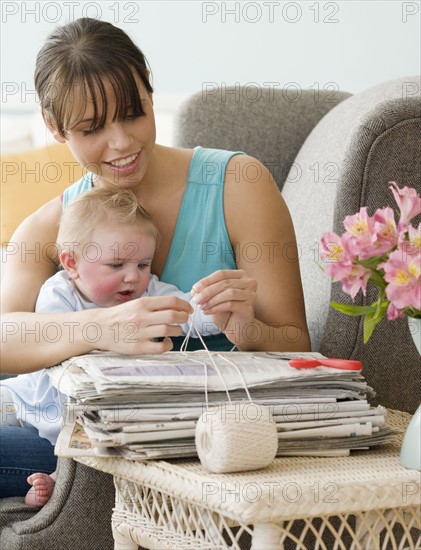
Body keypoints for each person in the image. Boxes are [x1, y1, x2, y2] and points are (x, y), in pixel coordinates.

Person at [0, 17, 310, 499]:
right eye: (92, 128)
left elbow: (299, 345)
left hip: (207, 435)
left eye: (133, 112)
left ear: (149, 91)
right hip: (78, 435)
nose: (121, 142)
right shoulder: (47, 228)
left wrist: (249, 331)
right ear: (53, 126)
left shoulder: (238, 185)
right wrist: (101, 328)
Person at [1, 187, 222, 506]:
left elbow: (189, 313)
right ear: (72, 264)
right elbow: (58, 346)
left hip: (72, 428)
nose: (133, 277)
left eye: (143, 265)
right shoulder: (60, 294)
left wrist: (216, 306)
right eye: (116, 265)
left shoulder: (151, 295)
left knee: (87, 442)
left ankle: (56, 478)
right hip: (26, 401)